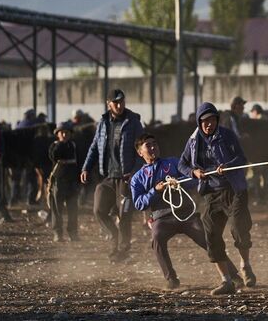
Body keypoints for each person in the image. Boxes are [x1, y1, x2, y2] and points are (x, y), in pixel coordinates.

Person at [130, 133, 232, 291]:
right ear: (140, 152)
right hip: (161, 218)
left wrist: (179, 183)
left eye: (154, 144)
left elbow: (192, 179)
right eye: (148, 145)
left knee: (208, 238)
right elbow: (138, 203)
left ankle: (232, 274)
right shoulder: (138, 178)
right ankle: (171, 279)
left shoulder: (173, 163)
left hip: (186, 213)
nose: (153, 147)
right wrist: (155, 191)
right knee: (156, 239)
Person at [178, 102, 255, 294]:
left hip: (234, 189)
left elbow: (241, 159)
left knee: (239, 228)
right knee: (211, 235)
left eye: (211, 120)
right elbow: (182, 164)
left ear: (217, 120)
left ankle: (245, 265)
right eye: (204, 121)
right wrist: (193, 172)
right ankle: (226, 280)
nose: (208, 124)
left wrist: (226, 165)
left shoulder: (227, 135)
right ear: (198, 122)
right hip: (210, 193)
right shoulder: (193, 141)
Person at [80, 89, 144, 262]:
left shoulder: (133, 122)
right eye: (115, 102)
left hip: (126, 178)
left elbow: (143, 150)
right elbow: (94, 147)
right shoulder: (103, 122)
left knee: (124, 215)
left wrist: (135, 172)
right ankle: (114, 237)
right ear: (108, 103)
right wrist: (86, 167)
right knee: (99, 210)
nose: (119, 105)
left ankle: (122, 250)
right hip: (108, 176)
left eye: (121, 101)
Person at [48, 122, 80, 242]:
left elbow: (78, 162)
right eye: (62, 132)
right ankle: (58, 233)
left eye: (67, 132)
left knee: (73, 209)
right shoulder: (54, 146)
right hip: (58, 183)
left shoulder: (73, 146)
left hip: (72, 183)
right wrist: (60, 144)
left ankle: (73, 233)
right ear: (57, 134)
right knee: (57, 209)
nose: (64, 134)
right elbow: (54, 156)